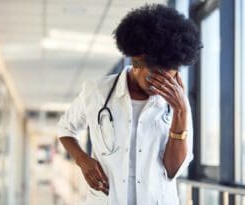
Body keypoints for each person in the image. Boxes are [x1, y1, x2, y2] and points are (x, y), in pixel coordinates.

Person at [57, 3, 202, 205]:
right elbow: (66, 128)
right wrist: (83, 160)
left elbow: (172, 170)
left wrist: (181, 111)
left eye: (169, 79)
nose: (161, 89)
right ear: (136, 62)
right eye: (155, 79)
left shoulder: (177, 103)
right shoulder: (97, 91)